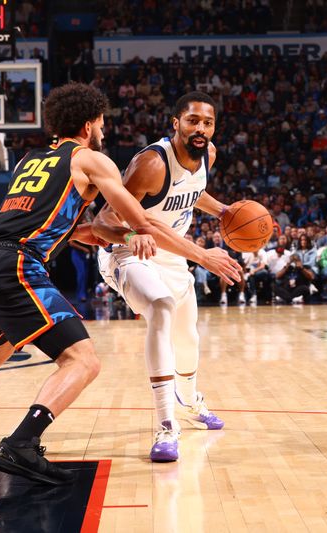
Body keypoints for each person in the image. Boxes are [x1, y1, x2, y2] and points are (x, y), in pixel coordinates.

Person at [0, 83, 240, 485]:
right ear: (88, 123)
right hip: (17, 265)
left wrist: (118, 236)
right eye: (101, 121)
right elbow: (142, 220)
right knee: (83, 360)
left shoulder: (31, 159)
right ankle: (21, 444)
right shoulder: (93, 160)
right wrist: (204, 256)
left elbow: (69, 226)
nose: (104, 129)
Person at [93, 92, 242, 462]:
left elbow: (193, 192)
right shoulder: (151, 164)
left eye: (207, 122)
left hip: (172, 254)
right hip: (128, 251)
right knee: (161, 307)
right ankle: (165, 426)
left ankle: (190, 401)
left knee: (188, 337)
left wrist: (223, 210)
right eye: (192, 121)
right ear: (175, 123)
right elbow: (104, 221)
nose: (200, 128)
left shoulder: (208, 154)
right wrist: (201, 255)